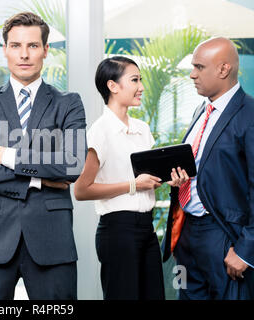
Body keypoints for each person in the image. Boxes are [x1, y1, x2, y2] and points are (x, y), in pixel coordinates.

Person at [0, 12, 87, 300]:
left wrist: (5, 154)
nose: (24, 54)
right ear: (5, 50)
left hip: (52, 239)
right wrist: (38, 181)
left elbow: (72, 164)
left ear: (45, 50)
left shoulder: (68, 103)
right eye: (16, 46)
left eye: (32, 46)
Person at [74, 56, 189, 300]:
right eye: (134, 80)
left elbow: (149, 181)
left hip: (146, 230)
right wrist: (133, 185)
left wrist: (170, 181)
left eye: (140, 80)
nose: (141, 87)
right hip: (117, 231)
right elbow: (82, 190)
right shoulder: (100, 131)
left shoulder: (142, 129)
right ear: (112, 86)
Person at [162, 37, 254, 300]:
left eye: (199, 67)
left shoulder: (251, 115)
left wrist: (246, 250)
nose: (192, 74)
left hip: (225, 238)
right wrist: (180, 181)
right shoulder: (201, 111)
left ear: (223, 69)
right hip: (187, 235)